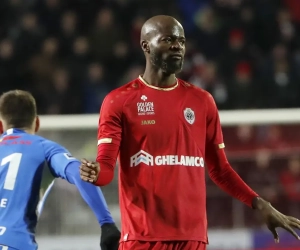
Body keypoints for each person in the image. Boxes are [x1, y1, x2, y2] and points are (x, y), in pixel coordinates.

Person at [79, 15, 300, 250]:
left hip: (193, 240)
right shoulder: (119, 101)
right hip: (143, 240)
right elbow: (105, 171)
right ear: (145, 45)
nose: (177, 46)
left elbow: (220, 170)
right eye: (167, 40)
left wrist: (259, 203)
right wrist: (95, 172)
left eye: (181, 41)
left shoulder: (202, 101)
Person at [0, 90, 120, 250]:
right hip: (16, 244)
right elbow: (81, 174)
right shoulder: (46, 149)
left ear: (1, 126)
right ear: (36, 123)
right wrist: (106, 223)